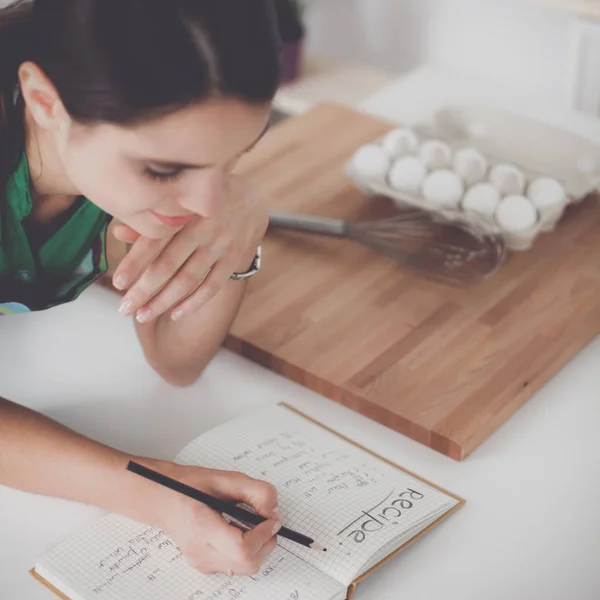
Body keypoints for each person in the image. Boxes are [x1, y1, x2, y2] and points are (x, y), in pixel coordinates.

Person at [0, 0, 285, 578]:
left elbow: (176, 360)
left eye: (234, 157)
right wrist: (155, 494)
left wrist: (245, 222)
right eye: (163, 170)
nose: (208, 204)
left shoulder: (129, 172)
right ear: (44, 101)